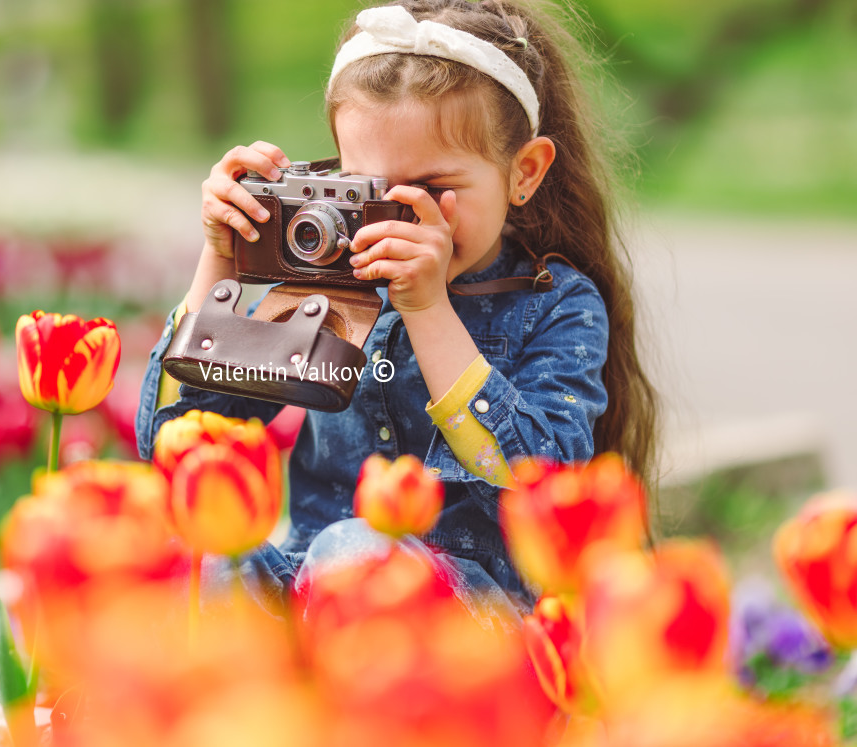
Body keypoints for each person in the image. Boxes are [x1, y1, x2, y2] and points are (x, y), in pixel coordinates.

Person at [136, 0, 658, 618]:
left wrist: (428, 308)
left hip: (469, 629)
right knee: (197, 558)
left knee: (358, 554)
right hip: (315, 596)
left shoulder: (557, 305)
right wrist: (219, 262)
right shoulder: (328, 284)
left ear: (524, 172)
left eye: (434, 190)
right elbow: (175, 440)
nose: (400, 221)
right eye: (365, 191)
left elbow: (540, 485)